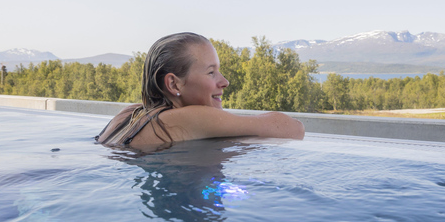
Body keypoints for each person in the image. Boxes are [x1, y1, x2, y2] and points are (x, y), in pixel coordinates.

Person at [95, 32, 305, 150]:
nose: (225, 82)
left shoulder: (129, 114)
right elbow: (294, 129)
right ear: (174, 85)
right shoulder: (193, 118)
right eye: (211, 72)